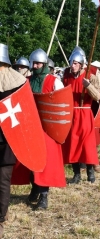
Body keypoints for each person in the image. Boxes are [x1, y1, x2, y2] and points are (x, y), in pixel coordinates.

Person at [12, 48, 67, 210]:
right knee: (28, 161)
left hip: (47, 130)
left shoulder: (54, 81)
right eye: (33, 63)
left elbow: (61, 105)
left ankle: (44, 196)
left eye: (38, 63)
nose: (35, 66)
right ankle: (35, 187)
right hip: (30, 129)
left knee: (45, 164)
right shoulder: (26, 81)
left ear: (44, 64)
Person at [0, 44, 28, 237]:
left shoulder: (18, 81)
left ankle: (1, 218)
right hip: (10, 136)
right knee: (3, 181)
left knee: (2, 181)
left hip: (8, 137)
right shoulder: (20, 81)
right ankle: (2, 216)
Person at [62, 50, 100, 184]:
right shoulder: (66, 75)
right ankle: (76, 174)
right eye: (72, 62)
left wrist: (88, 86)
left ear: (81, 64)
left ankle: (90, 172)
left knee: (86, 145)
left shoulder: (90, 75)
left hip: (84, 114)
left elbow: (98, 96)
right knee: (72, 144)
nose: (73, 65)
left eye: (76, 63)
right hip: (71, 114)